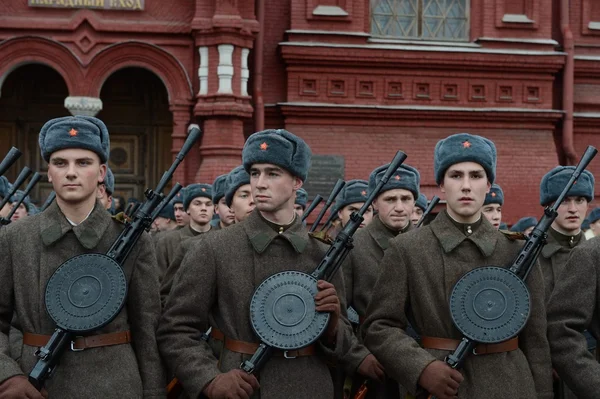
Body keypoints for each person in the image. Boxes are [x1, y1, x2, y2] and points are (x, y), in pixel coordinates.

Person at [157, 129, 358, 399]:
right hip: (241, 388)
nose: (260, 183)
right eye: (255, 173)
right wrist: (210, 379)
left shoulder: (322, 252)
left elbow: (344, 340)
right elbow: (176, 328)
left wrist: (333, 326)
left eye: (272, 174)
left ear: (297, 181)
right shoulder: (214, 248)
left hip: (310, 387)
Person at [362, 133, 552, 399]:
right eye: (455, 175)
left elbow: (535, 339)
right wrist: (422, 367)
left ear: (489, 185)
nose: (466, 186)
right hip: (441, 386)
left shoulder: (517, 250)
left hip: (510, 385)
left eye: (475, 176)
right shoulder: (408, 249)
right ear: (441, 184)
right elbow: (378, 326)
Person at [0, 115, 165, 398]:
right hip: (36, 386)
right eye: (60, 163)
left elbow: (147, 330)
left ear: (101, 172)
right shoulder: (15, 238)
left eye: (83, 163)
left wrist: (153, 393)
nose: (71, 172)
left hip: (114, 386)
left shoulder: (133, 241)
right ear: (49, 173)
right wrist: (8, 377)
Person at [342, 163, 420, 399]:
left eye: (406, 199)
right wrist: (357, 357)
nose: (399, 207)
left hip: (422, 357)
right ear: (374, 203)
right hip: (374, 359)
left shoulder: (427, 244)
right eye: (390, 199)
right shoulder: (354, 245)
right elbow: (338, 312)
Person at [155, 183, 214, 274]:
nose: (203, 208)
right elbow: (160, 279)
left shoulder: (223, 238)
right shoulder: (168, 241)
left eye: (208, 204)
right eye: (197, 204)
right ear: (188, 209)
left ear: (215, 208)